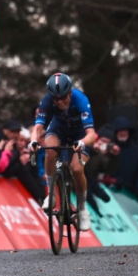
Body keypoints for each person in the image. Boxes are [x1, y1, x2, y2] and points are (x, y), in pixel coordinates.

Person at [29, 72, 97, 232]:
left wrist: (82, 142)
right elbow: (38, 127)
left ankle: (82, 208)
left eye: (63, 98)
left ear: (70, 93)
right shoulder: (46, 101)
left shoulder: (80, 100)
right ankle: (51, 195)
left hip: (80, 134)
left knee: (76, 168)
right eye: (56, 99)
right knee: (50, 150)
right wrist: (32, 141)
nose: (59, 102)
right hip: (59, 129)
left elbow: (92, 134)